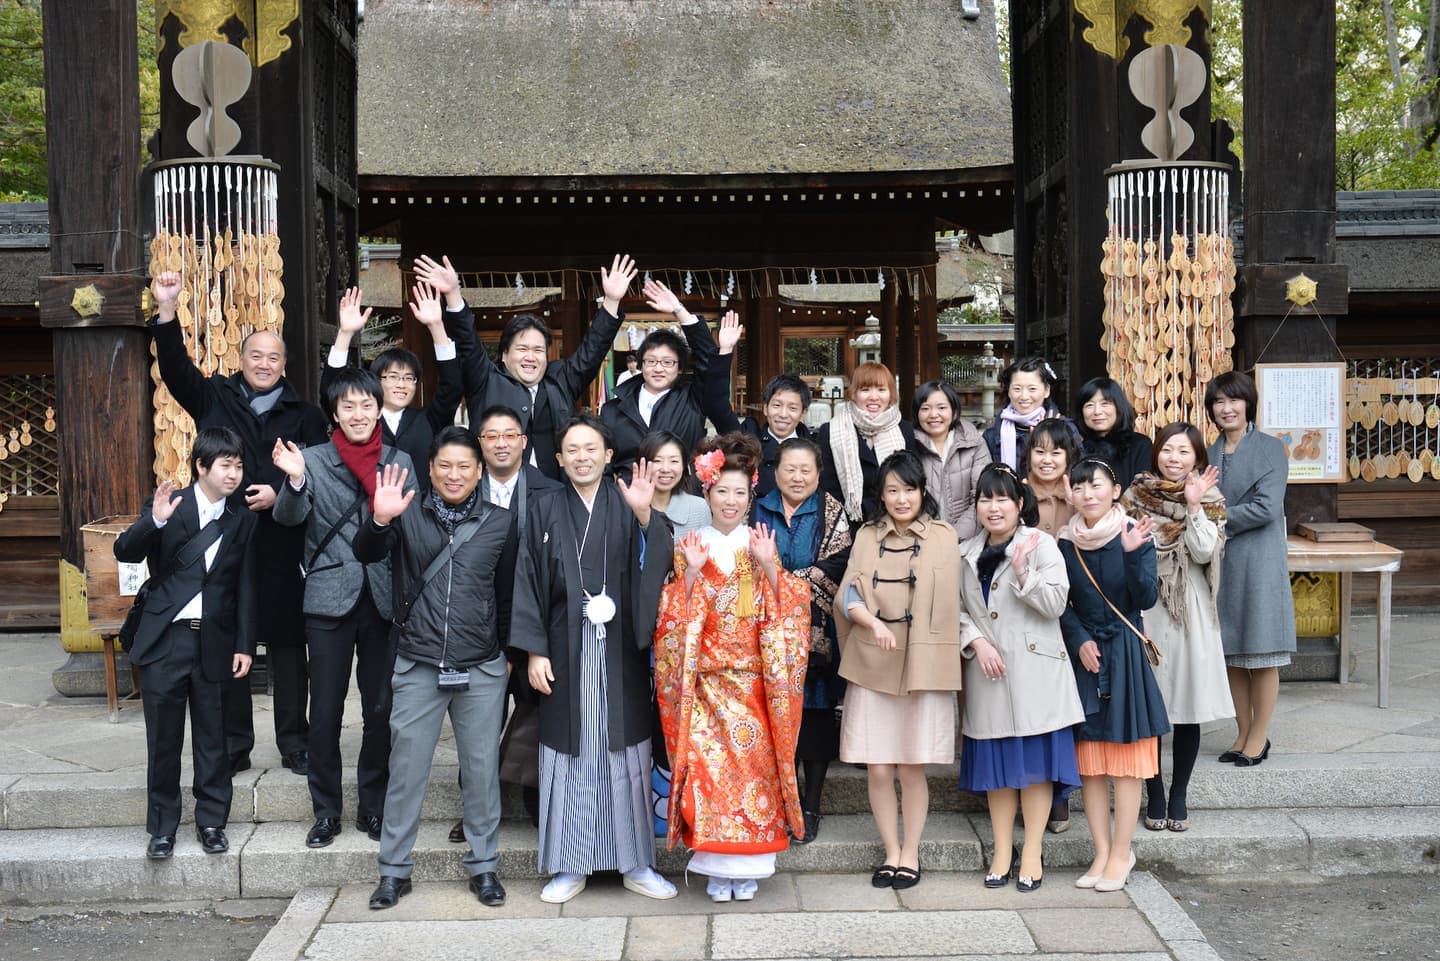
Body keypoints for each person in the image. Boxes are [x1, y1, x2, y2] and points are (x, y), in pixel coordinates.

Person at [150, 271, 326, 778]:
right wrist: (167, 310)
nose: (264, 364)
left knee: (291, 646)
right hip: (224, 541)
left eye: (274, 357)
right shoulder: (215, 398)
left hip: (284, 539)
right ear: (241, 359)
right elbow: (177, 369)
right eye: (256, 355)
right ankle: (235, 743)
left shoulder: (306, 413)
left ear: (284, 366)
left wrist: (283, 490)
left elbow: (316, 469)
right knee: (229, 639)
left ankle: (295, 741)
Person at [509, 413, 677, 904]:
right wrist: (534, 650)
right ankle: (568, 863)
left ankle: (636, 862)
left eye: (591, 449)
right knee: (568, 754)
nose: (582, 457)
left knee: (626, 755)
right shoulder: (543, 508)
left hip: (620, 648)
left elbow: (663, 561)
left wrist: (647, 516)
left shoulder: (629, 502)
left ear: (608, 456)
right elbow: (528, 578)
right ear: (558, 460)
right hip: (564, 645)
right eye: (572, 450)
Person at [352, 429, 513, 910]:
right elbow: (366, 552)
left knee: (482, 773)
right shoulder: (406, 513)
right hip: (419, 662)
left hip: (480, 667)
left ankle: (484, 867)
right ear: (431, 469)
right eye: (445, 465)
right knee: (405, 771)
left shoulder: (500, 522)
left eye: (465, 465)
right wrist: (379, 520)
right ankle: (393, 871)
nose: (455, 474)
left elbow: (507, 596)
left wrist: (504, 653)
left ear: (479, 471)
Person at [655, 433, 811, 903]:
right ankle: (715, 869)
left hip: (753, 688)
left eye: (740, 493)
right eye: (722, 491)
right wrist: (692, 578)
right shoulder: (690, 546)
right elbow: (669, 622)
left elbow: (787, 616)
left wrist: (768, 569)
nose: (730, 500)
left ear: (751, 496)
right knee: (709, 777)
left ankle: (749, 870)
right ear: (707, 492)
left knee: (751, 775)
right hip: (702, 687)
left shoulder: (759, 544)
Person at [273, 369, 416, 849]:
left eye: (366, 405)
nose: (358, 414)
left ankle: (373, 809)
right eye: (348, 407)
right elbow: (289, 519)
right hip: (328, 599)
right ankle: (326, 812)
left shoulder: (399, 461)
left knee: (380, 711)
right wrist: (293, 483)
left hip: (381, 598)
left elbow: (410, 535)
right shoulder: (309, 460)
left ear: (380, 409)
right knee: (327, 712)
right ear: (334, 414)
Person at [114, 427, 257, 860]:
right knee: (164, 738)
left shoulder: (242, 517)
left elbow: (247, 585)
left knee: (215, 738)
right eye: (225, 465)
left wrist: (246, 644)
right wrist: (153, 521)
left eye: (238, 465)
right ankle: (162, 828)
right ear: (201, 467)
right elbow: (125, 551)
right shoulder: (168, 506)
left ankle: (212, 822)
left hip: (215, 640)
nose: (233, 474)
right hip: (165, 640)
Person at [834, 451, 968, 891]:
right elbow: (847, 594)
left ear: (922, 492)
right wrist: (871, 622)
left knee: (912, 767)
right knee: (877, 767)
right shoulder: (867, 536)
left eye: (909, 489)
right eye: (892, 490)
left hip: (922, 665)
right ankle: (890, 851)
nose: (901, 498)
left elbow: (958, 601)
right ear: (882, 495)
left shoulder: (945, 537)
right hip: (873, 658)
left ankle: (910, 853)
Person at [958, 463, 1082, 892]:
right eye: (985, 499)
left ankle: (1031, 851)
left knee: (1034, 769)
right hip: (988, 674)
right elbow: (954, 611)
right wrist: (975, 640)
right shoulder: (965, 552)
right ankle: (1000, 850)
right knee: (997, 770)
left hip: (1035, 675)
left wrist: (1024, 574)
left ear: (1019, 504)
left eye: (1002, 498)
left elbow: (1057, 603)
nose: (993, 507)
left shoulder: (1041, 544)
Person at [444, 405, 561, 844]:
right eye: (491, 436)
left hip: (534, 627)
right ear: (480, 443)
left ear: (524, 442)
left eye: (509, 435)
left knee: (538, 718)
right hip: (479, 629)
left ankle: (539, 808)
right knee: (480, 725)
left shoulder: (550, 490)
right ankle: (473, 813)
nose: (500, 443)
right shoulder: (462, 490)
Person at [420, 253, 635, 480]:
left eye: (538, 350)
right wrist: (453, 295)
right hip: (495, 494)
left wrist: (611, 301)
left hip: (555, 494)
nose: (530, 357)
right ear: (504, 354)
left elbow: (593, 350)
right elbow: (467, 342)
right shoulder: (486, 379)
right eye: (522, 349)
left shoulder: (561, 379)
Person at [1057, 457, 1168, 893]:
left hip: (1123, 654)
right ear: (1071, 493)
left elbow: (1145, 598)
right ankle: (1100, 852)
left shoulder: (1132, 534)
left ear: (1115, 489)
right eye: (1080, 486)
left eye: (1096, 486)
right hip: (1086, 659)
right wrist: (1079, 639)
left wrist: (1133, 555)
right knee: (1091, 764)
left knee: (1124, 763)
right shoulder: (1065, 544)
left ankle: (1122, 853)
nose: (1088, 494)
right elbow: (1062, 605)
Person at [1122, 423, 1234, 832]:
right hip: (1147, 608)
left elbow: (1206, 551)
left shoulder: (1212, 499)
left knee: (1187, 708)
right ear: (1156, 453)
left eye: (1184, 452)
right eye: (1168, 450)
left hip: (1189, 610)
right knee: (1150, 708)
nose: (1174, 458)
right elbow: (1123, 549)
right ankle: (1153, 791)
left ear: (1198, 458)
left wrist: (1193, 507)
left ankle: (1179, 794)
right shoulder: (1135, 495)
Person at [752, 436, 853, 845]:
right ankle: (778, 801)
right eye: (789, 469)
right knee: (772, 720)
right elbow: (746, 566)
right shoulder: (755, 508)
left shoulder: (832, 512)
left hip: (816, 635)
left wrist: (783, 581)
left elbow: (839, 564)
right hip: (763, 633)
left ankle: (810, 805)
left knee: (813, 720)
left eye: (805, 470)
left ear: (818, 473)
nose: (797, 477)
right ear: (776, 471)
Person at [1205, 371, 1295, 767]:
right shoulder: (1207, 452)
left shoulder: (1271, 449)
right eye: (1219, 402)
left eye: (1234, 400)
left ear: (1248, 404)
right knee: (1231, 653)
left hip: (1258, 559)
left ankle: (1259, 737)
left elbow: (1266, 507)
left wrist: (1216, 516)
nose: (1227, 408)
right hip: (1218, 562)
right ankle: (1241, 732)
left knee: (1261, 651)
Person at [321, 283, 464, 492]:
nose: (401, 384)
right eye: (393, 376)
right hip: (368, 517)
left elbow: (453, 386)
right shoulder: (360, 419)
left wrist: (436, 327)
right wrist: (345, 334)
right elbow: (330, 392)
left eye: (409, 378)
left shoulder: (429, 419)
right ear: (377, 381)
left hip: (418, 516)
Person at [600, 280, 719, 479]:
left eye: (667, 362)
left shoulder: (693, 399)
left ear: (680, 368)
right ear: (641, 365)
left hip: (681, 495)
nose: (658, 368)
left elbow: (709, 358)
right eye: (651, 361)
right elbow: (604, 467)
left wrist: (679, 311)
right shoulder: (612, 410)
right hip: (629, 499)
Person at [701, 312, 814, 497]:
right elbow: (716, 406)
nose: (783, 414)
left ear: (803, 413)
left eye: (793, 408)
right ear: (765, 408)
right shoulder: (748, 440)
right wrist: (725, 351)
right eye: (777, 405)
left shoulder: (814, 446)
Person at [815, 362, 921, 525]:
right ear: (853, 394)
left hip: (896, 522)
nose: (874, 397)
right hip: (847, 525)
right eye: (865, 390)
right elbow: (828, 489)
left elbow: (912, 480)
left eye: (881, 390)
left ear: (891, 394)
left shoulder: (904, 430)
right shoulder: (830, 432)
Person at [913, 379, 991, 540]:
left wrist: (952, 537)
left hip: (968, 540)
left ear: (954, 411)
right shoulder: (908, 444)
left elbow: (982, 497)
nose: (934, 415)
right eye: (925, 408)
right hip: (921, 540)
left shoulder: (975, 443)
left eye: (942, 408)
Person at [983, 356, 1064, 471]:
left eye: (1032, 389)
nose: (1024, 396)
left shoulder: (1066, 429)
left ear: (1046, 391)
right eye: (1017, 389)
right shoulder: (991, 436)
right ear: (1008, 391)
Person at [1076, 377, 1153, 491]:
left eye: (1105, 403)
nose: (1097, 411)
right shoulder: (1078, 448)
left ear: (1119, 407)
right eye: (1089, 405)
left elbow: (1143, 492)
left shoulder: (1140, 445)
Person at [641, 430, 710, 538]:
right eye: (657, 460)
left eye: (674, 461)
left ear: (683, 466)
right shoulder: (627, 508)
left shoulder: (699, 508)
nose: (665, 469)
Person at [1022, 418, 1083, 538]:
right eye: (1040, 452)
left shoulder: (1080, 494)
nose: (1047, 460)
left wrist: (1079, 506)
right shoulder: (1019, 494)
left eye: (1055, 453)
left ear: (1068, 456)